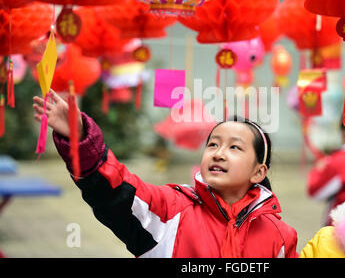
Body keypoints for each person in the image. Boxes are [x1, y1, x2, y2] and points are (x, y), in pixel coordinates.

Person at [32, 89, 299, 258]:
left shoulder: (280, 236)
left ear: (258, 171)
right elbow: (115, 189)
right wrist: (81, 137)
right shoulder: (170, 208)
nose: (218, 153)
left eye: (235, 147)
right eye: (213, 144)